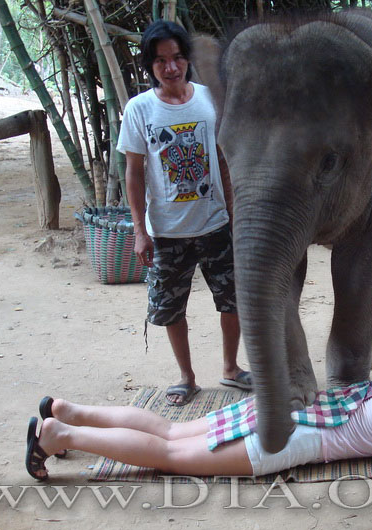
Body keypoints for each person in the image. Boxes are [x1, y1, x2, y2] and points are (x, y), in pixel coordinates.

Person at [24, 356, 372, 480]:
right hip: (291, 437)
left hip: (285, 410)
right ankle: (62, 434)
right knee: (169, 453)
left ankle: (67, 411)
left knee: (171, 431)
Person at [117, 21, 250, 406]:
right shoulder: (139, 109)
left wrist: (234, 211)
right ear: (150, 66)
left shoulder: (209, 100)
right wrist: (140, 231)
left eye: (177, 58)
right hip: (167, 231)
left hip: (216, 224)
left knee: (233, 299)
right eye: (161, 61)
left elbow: (224, 161)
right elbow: (134, 173)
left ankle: (230, 367)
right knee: (171, 307)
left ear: (187, 59)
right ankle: (186, 377)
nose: (171, 68)